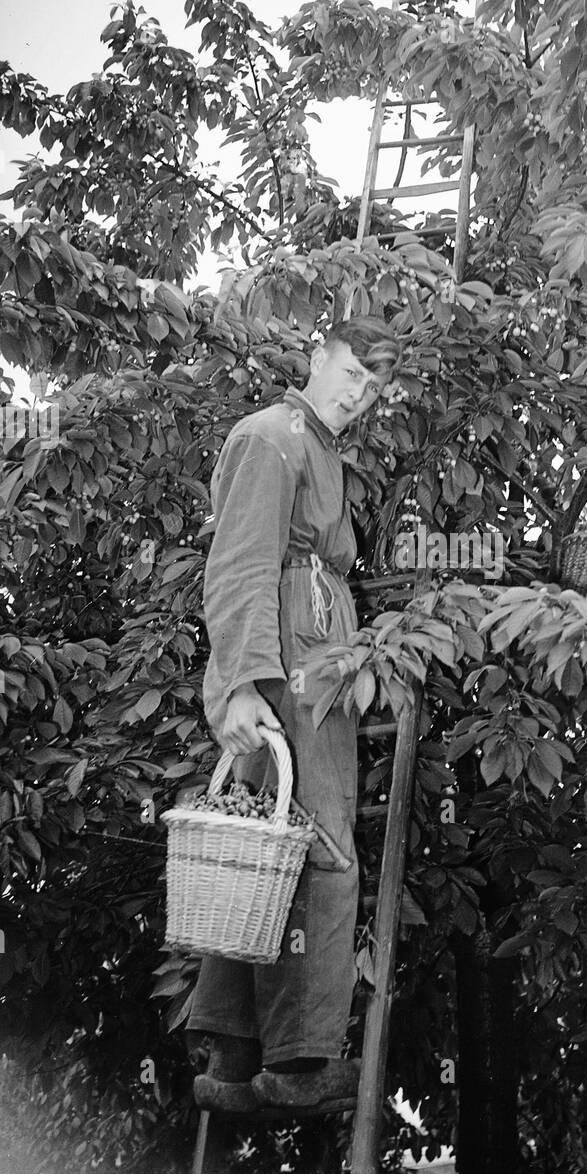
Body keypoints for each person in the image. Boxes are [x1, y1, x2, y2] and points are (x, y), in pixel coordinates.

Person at [187, 315, 403, 1115]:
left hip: (313, 652)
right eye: (350, 372)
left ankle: (238, 1058)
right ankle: (304, 1062)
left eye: (373, 387)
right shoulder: (270, 437)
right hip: (290, 662)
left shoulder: (321, 450)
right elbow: (239, 563)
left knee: (257, 849)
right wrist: (239, 685)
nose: (359, 394)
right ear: (318, 355)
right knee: (320, 848)